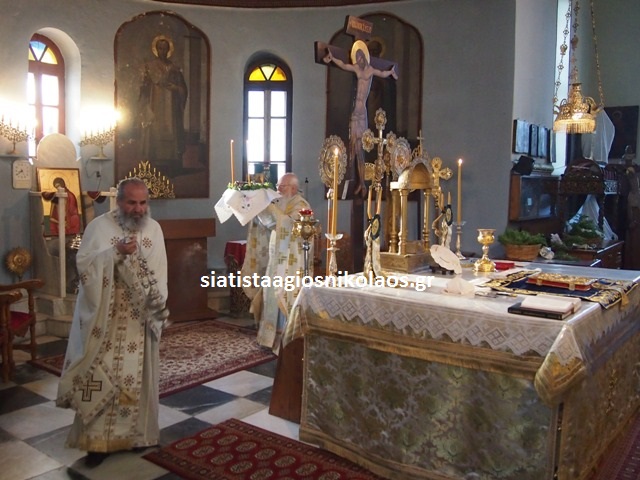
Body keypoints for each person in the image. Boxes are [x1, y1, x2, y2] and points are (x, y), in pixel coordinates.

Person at [56, 177, 169, 468]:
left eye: (143, 203)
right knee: (102, 377)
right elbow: (84, 268)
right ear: (118, 202)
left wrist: (155, 306)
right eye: (132, 202)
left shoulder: (153, 229)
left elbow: (159, 271)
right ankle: (98, 443)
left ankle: (139, 436)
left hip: (139, 317)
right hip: (105, 317)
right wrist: (115, 252)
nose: (138, 209)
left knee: (139, 378)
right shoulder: (99, 227)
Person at [241, 173, 310, 353]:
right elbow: (271, 223)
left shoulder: (301, 205)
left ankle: (284, 338)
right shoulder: (280, 203)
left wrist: (269, 207)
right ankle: (268, 338)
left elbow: (287, 225)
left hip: (291, 264)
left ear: (293, 188)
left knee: (283, 295)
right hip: (275, 259)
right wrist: (258, 208)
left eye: (282, 186)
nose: (278, 189)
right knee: (270, 296)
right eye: (278, 185)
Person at [324, 40, 398, 197]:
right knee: (352, 147)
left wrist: (391, 72)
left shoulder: (370, 70)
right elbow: (344, 65)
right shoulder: (356, 68)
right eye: (356, 57)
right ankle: (350, 180)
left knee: (360, 149)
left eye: (360, 57)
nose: (358, 60)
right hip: (354, 113)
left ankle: (362, 184)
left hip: (362, 112)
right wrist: (332, 58)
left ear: (364, 56)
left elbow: (382, 73)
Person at [138, 35, 188, 167]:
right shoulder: (150, 67)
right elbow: (144, 87)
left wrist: (176, 88)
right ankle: (154, 161)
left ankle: (172, 162)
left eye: (165, 48)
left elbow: (183, 88)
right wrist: (145, 84)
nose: (162, 51)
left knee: (172, 130)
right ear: (156, 49)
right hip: (155, 104)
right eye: (160, 48)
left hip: (171, 107)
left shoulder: (175, 68)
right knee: (154, 130)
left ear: (168, 50)